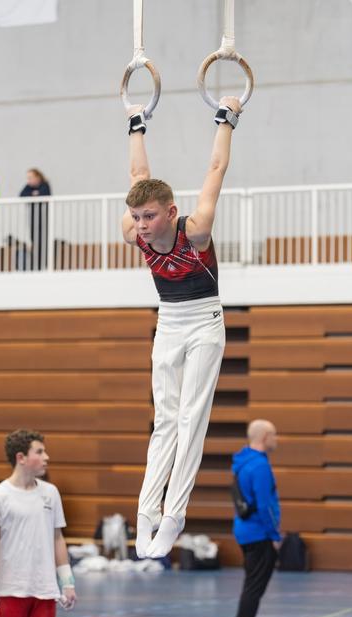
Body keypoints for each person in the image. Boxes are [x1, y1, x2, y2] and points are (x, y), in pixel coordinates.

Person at [122, 96, 242, 558]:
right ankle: (147, 511)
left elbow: (215, 169)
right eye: (137, 218)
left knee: (192, 418)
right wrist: (136, 123)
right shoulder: (136, 232)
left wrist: (226, 118)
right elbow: (137, 177)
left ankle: (175, 514)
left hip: (205, 323)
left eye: (150, 216)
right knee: (165, 421)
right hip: (168, 322)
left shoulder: (196, 229)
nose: (142, 226)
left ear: (171, 212)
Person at [0, 429, 76, 617]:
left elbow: (57, 538)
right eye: (39, 452)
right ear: (21, 458)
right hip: (10, 590)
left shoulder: (51, 493)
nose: (46, 457)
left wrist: (67, 582)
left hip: (45, 590)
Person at [230, 420, 281, 617]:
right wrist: (274, 535)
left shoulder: (244, 461)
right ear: (265, 437)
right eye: (274, 435)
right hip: (258, 533)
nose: (276, 440)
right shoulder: (259, 466)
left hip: (245, 530)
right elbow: (264, 505)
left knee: (252, 585)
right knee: (254, 587)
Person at [19, 169, 51, 270]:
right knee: (34, 239)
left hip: (43, 217)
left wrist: (34, 195)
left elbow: (44, 194)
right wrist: (34, 194)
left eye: (30, 177)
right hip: (33, 218)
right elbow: (22, 195)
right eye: (28, 178)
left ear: (37, 177)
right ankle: (36, 263)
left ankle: (45, 263)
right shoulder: (28, 186)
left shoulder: (44, 185)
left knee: (43, 239)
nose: (29, 180)